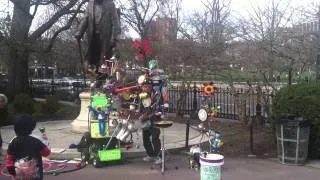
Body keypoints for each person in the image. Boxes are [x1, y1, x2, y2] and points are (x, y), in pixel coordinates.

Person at [75, 0, 121, 73]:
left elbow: (115, 22)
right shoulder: (90, 4)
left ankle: (104, 80)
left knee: (104, 61)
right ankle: (93, 79)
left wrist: (114, 38)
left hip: (106, 38)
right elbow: (85, 19)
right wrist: (79, 32)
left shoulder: (110, 4)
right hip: (93, 37)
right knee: (91, 60)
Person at [6, 114, 51, 180]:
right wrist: (45, 141)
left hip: (18, 173)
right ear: (32, 127)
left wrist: (11, 171)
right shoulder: (36, 140)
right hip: (35, 174)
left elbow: (9, 159)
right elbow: (46, 152)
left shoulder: (13, 141)